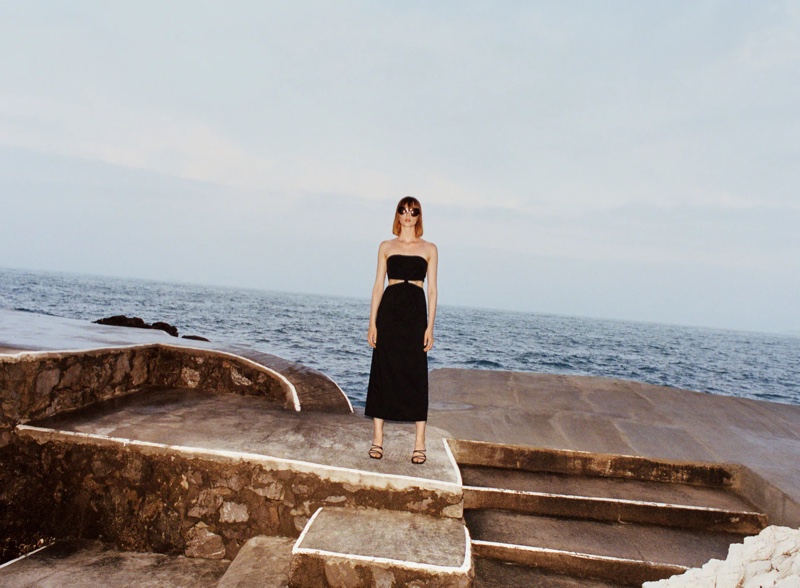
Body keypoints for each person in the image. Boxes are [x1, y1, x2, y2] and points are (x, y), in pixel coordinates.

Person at [365, 196, 438, 465]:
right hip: (390, 311)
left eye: (413, 211)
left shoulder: (430, 248)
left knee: (416, 373)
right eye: (403, 211)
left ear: (419, 216)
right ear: (397, 215)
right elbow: (377, 286)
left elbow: (432, 289)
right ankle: (377, 439)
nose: (408, 216)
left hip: (415, 313)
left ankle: (419, 443)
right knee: (382, 370)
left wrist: (430, 326)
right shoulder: (386, 246)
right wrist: (372, 322)